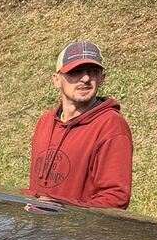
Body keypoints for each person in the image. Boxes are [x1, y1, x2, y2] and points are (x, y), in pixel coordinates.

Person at [28, 40, 134, 209]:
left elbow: (115, 199)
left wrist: (58, 208)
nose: (85, 78)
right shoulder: (46, 121)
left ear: (101, 78)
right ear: (56, 80)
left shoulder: (111, 125)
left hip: (78, 234)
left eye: (93, 72)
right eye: (75, 71)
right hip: (39, 231)